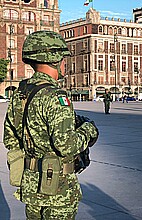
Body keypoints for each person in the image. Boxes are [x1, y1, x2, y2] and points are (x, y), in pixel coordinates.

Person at [3, 30, 99, 220]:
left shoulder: (20, 94)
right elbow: (66, 145)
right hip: (58, 189)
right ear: (54, 59)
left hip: (31, 185)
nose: (64, 63)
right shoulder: (56, 96)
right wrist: (89, 130)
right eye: (63, 58)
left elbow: (10, 139)